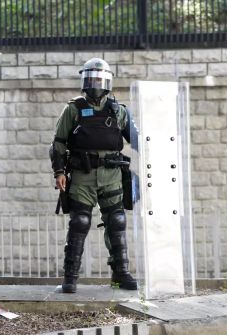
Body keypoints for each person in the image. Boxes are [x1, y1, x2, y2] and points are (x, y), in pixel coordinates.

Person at [49, 58, 137, 293]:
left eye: (99, 79)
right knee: (79, 223)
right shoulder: (73, 109)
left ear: (107, 82)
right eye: (91, 78)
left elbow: (138, 140)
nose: (95, 83)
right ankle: (70, 277)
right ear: (84, 81)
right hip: (82, 176)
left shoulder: (119, 111)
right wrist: (59, 172)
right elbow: (58, 143)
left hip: (112, 175)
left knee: (116, 222)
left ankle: (121, 274)